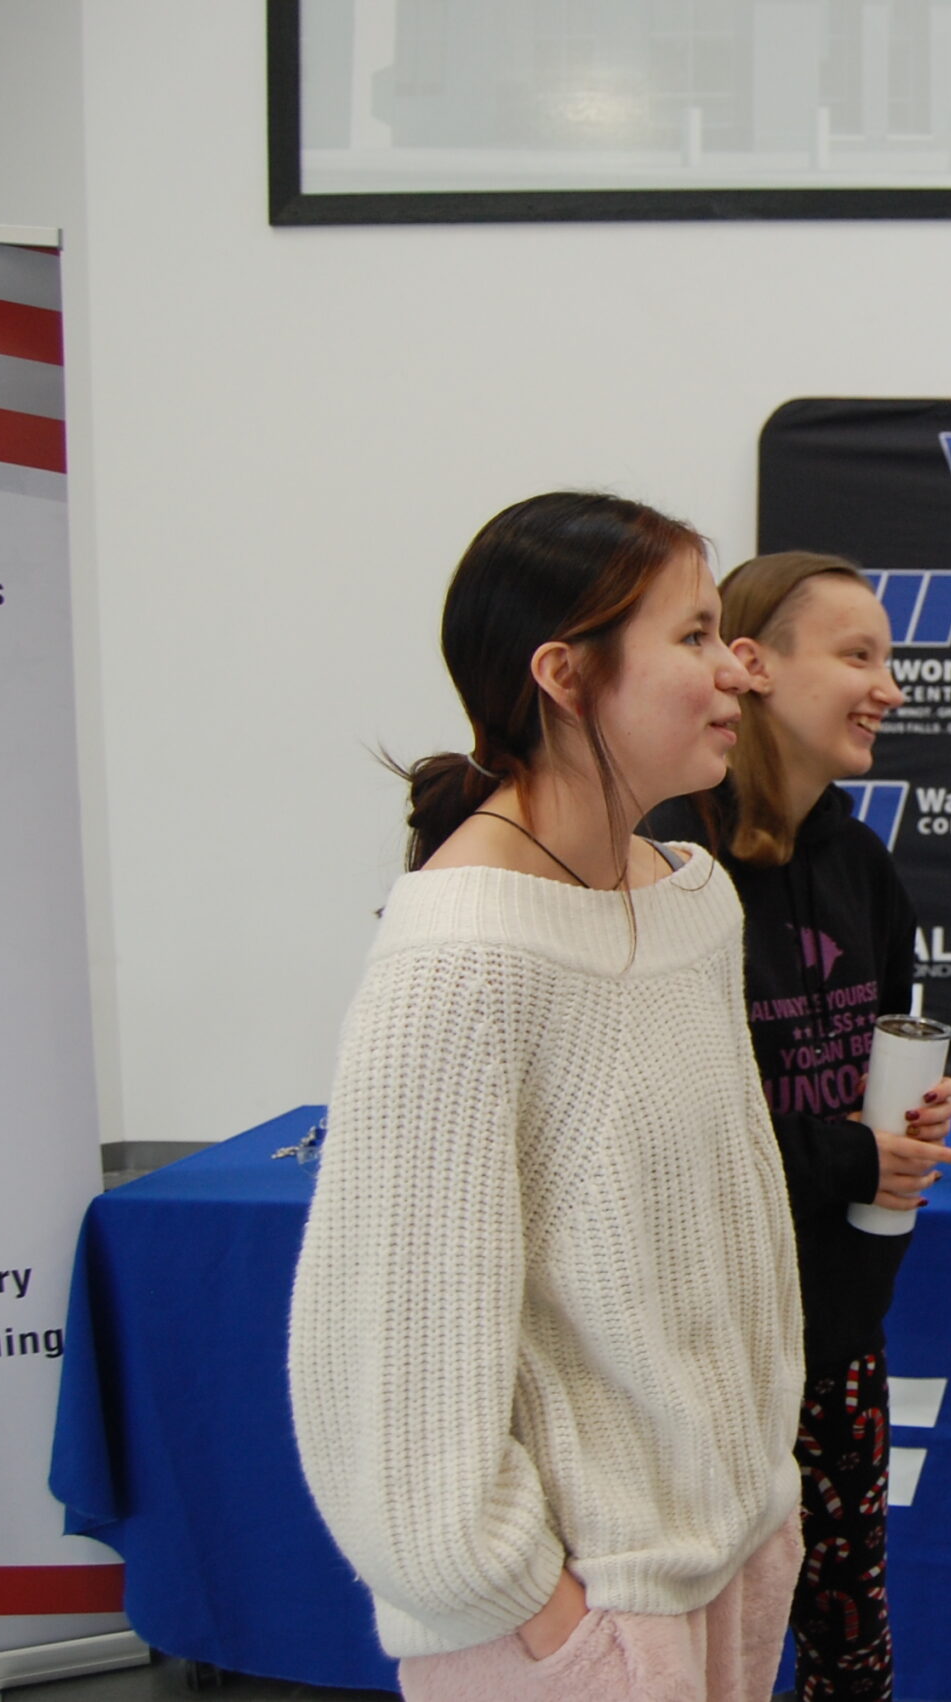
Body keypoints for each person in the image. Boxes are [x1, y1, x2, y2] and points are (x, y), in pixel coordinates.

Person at [288, 493, 806, 1702]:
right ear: (567, 675)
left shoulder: (690, 893)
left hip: (721, 1560)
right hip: (585, 1615)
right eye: (691, 636)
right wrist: (544, 1619)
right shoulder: (461, 960)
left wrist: (754, 1501)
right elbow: (390, 1378)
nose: (739, 668)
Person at [646, 550, 951, 1702]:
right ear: (753, 664)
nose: (888, 686)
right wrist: (847, 1151)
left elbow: (878, 1052)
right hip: (696, 1343)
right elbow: (664, 1137)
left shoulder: (861, 861)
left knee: (846, 1627)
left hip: (833, 1325)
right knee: (700, 1642)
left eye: (891, 656)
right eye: (858, 655)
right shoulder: (664, 861)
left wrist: (909, 1119)